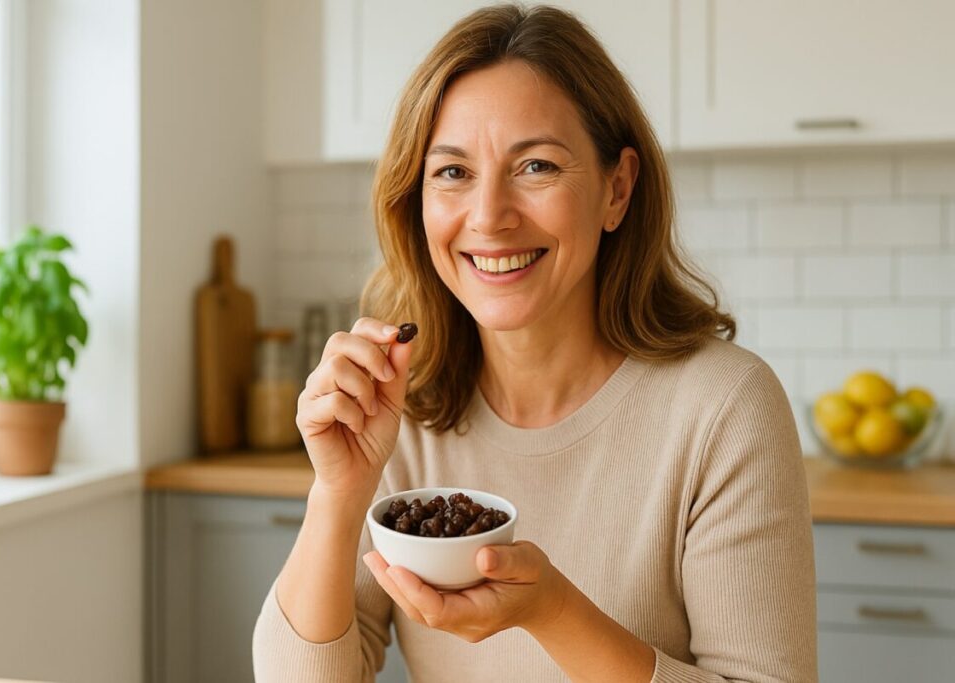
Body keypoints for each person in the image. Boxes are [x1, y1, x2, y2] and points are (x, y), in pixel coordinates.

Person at [254, 5, 816, 682]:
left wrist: (551, 610)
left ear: (618, 188)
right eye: (453, 173)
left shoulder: (723, 407)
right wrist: (338, 494)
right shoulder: (400, 410)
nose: (489, 216)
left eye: (536, 166)